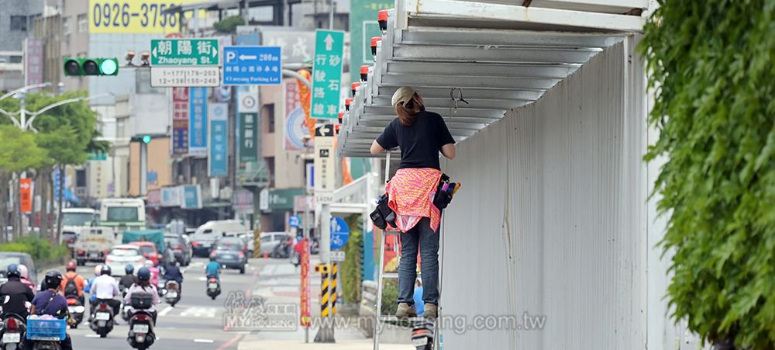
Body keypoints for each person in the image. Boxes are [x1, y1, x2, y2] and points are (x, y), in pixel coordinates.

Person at [370, 87, 456, 319]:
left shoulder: (397, 124)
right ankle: (430, 305)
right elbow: (450, 154)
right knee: (429, 251)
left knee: (408, 251)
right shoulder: (434, 119)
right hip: (427, 189)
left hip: (404, 190)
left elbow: (374, 148)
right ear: (417, 99)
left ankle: (403, 303)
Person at [29, 270, 74, 350]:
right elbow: (67, 317)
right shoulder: (62, 300)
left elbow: (32, 312)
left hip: (38, 331)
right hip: (56, 332)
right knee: (67, 339)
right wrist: (72, 322)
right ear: (59, 284)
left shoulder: (38, 296)